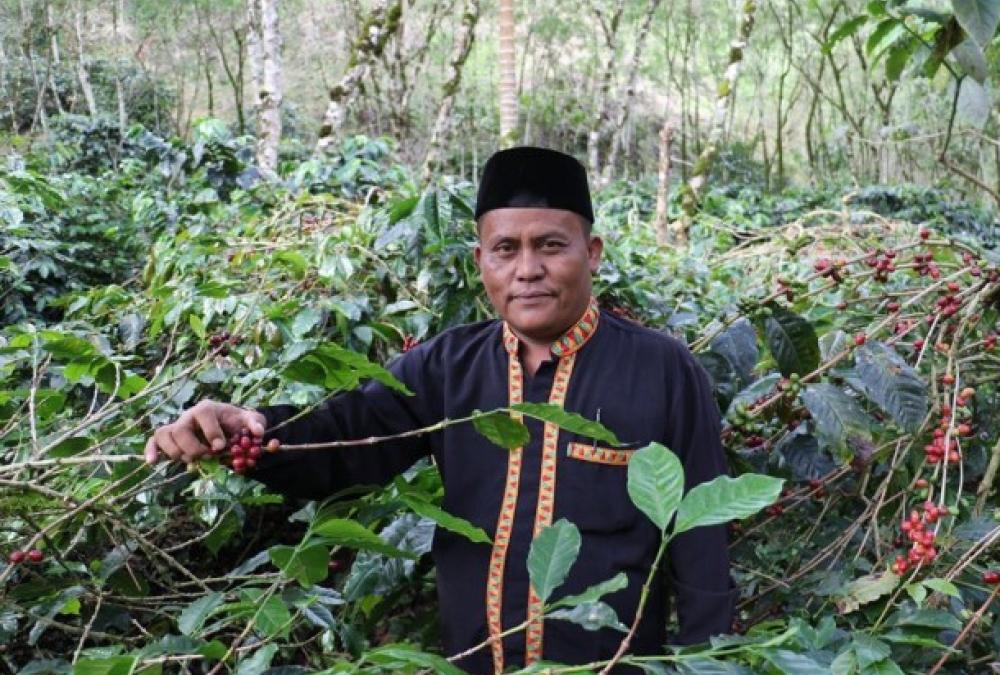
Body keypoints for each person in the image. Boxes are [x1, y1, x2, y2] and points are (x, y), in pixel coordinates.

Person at [145, 146, 734, 674]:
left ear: (593, 252)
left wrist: (711, 663)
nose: (527, 268)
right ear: (481, 260)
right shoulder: (445, 366)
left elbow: (702, 542)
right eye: (506, 249)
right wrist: (247, 430)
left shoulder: (663, 370)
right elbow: (349, 441)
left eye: (551, 245)